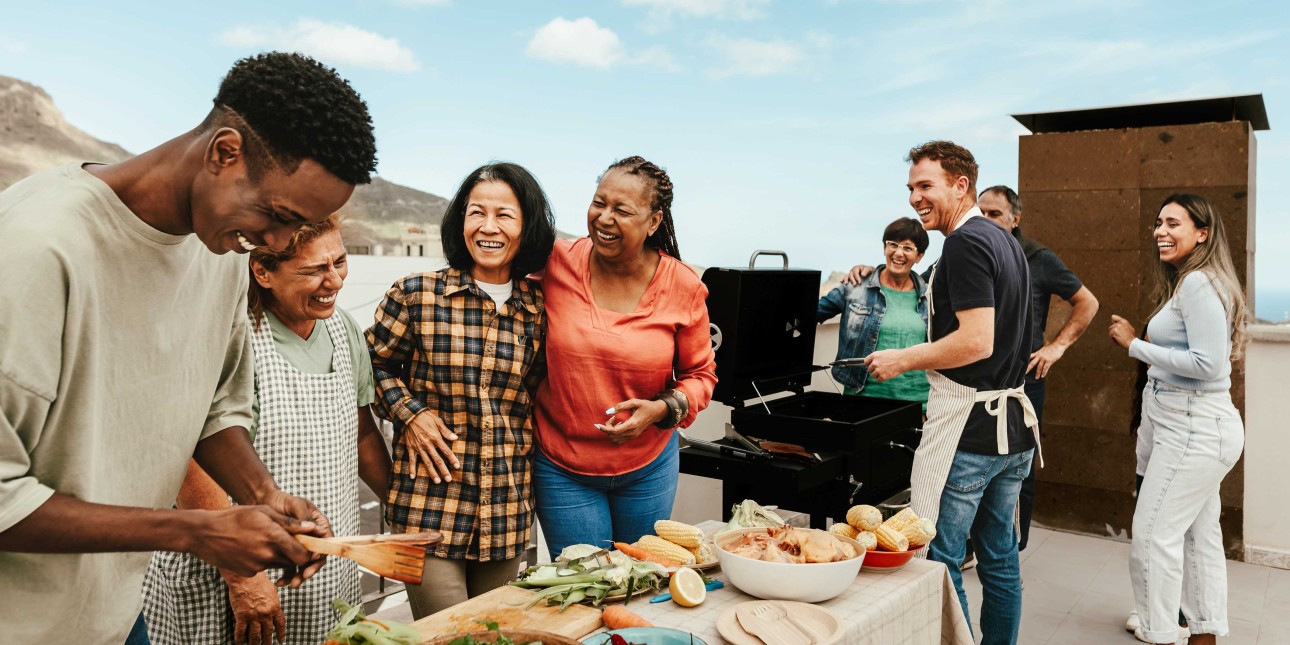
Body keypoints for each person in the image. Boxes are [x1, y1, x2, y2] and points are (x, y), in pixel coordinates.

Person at [0, 52, 377, 644]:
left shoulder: (221, 250)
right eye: (276, 215)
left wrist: (263, 495)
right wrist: (198, 531)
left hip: (118, 611)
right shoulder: (34, 249)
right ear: (223, 152)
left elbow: (215, 404)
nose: (275, 243)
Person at [142, 215, 392, 645]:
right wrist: (242, 575)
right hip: (228, 565)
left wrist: (403, 504)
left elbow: (361, 431)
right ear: (263, 271)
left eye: (339, 262)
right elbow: (186, 457)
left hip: (325, 566)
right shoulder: (228, 329)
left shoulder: (343, 328)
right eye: (314, 270)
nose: (334, 281)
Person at [863, 141, 1037, 645]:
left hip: (970, 431)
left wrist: (903, 358)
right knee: (1000, 558)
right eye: (911, 188)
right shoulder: (1005, 239)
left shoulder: (962, 244)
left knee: (939, 559)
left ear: (961, 186)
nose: (916, 199)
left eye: (926, 186)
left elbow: (976, 341)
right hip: (1014, 434)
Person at [366, 163, 556, 618]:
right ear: (460, 221)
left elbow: (532, 398)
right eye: (477, 213)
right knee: (446, 634)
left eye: (504, 215)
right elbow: (371, 366)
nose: (488, 227)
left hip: (505, 507)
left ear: (526, 225)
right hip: (429, 504)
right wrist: (410, 413)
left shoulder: (539, 311)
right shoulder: (415, 294)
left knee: (496, 634)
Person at [531, 156, 717, 559]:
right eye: (599, 203)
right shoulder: (556, 263)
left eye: (622, 210)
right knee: (586, 586)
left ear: (653, 222)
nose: (604, 218)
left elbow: (700, 376)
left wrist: (661, 409)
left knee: (640, 585)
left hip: (648, 470)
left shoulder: (683, 285)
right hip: (563, 469)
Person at [1109, 194, 1248, 645]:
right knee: (1198, 539)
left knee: (1151, 541)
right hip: (1192, 427)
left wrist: (1134, 344)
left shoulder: (1198, 284)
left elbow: (1209, 364)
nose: (1159, 231)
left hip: (1192, 429)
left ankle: (1162, 635)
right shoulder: (1199, 281)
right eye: (1157, 222)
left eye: (1173, 223)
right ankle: (1203, 635)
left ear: (1202, 232)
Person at [978, 185, 1099, 553]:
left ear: (1015, 219)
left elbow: (1087, 302)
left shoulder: (1037, 257)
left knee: (1019, 468)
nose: (985, 221)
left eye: (994, 214)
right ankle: (975, 545)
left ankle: (1011, 549)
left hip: (1022, 383)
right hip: (975, 381)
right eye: (979, 213)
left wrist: (1056, 347)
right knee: (974, 465)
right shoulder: (971, 252)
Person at [817, 217, 930, 409]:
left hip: (919, 402)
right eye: (892, 244)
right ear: (884, 248)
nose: (898, 253)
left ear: (919, 256)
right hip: (863, 398)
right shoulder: (855, 288)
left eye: (908, 248)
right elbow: (809, 313)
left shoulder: (930, 295)